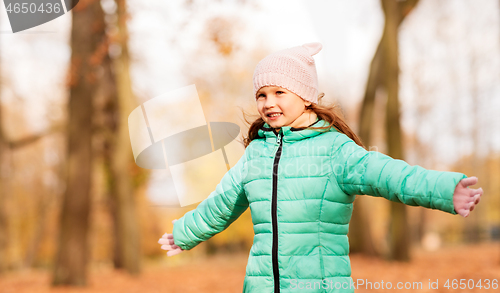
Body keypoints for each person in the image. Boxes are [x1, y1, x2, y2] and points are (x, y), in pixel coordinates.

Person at [158, 42, 483, 292]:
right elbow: (221, 203)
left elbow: (389, 175)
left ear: (305, 96)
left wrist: (443, 189)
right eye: (261, 94)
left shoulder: (335, 150)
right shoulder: (256, 154)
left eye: (279, 92)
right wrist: (184, 233)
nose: (268, 102)